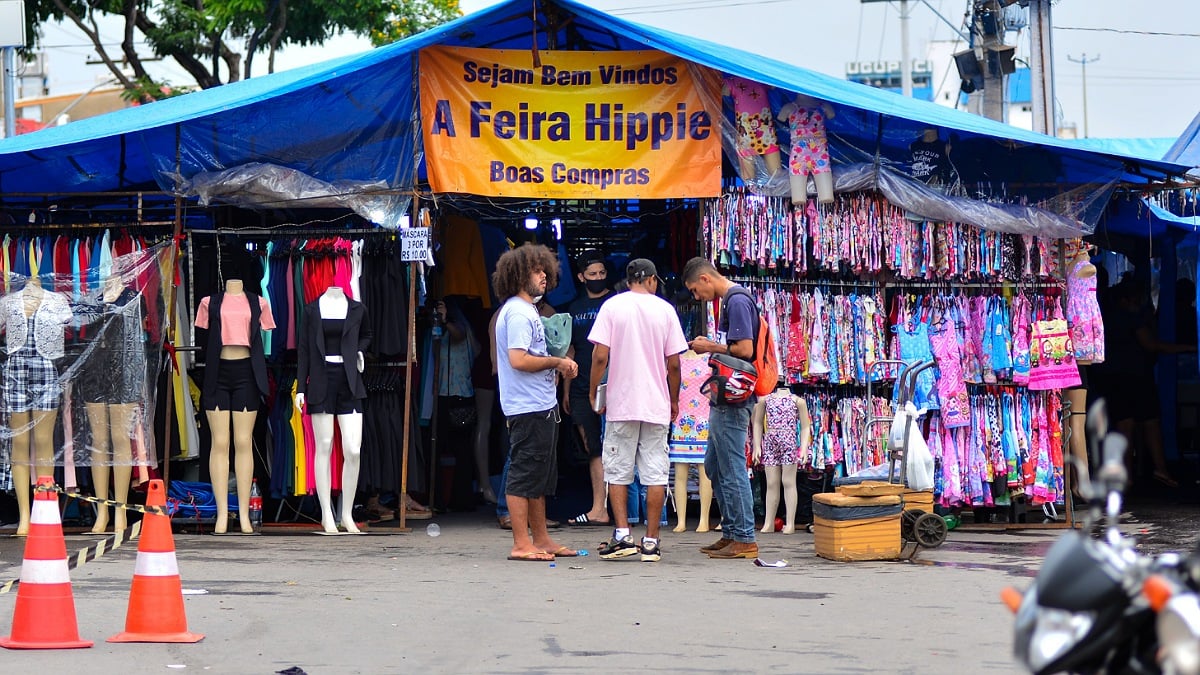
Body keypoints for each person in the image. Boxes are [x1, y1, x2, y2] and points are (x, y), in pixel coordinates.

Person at [588, 259, 688, 562]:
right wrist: (673, 399)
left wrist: (594, 390)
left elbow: (600, 356)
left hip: (621, 402)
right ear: (653, 280)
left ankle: (622, 536)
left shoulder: (612, 307)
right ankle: (651, 541)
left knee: (618, 471)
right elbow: (674, 364)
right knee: (655, 472)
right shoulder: (665, 310)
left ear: (628, 280)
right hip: (656, 404)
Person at [493, 243, 578, 561]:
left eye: (545, 270)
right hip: (527, 407)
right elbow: (518, 359)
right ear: (519, 274)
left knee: (539, 476)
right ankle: (521, 543)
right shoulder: (517, 311)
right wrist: (556, 364)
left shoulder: (527, 310)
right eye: (537, 271)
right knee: (524, 474)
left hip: (540, 405)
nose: (544, 276)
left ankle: (540, 539)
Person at [682, 257, 760, 559]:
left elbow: (744, 350)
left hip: (733, 397)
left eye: (694, 290)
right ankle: (731, 532)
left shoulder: (736, 300)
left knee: (731, 467)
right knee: (716, 465)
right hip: (725, 396)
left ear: (705, 279)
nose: (696, 298)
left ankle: (744, 537)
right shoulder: (731, 300)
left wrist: (709, 346)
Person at [1095, 279, 1193, 488]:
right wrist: (1189, 347)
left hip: (1113, 376)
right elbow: (1151, 344)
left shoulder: (1107, 318)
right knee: (1150, 422)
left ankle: (1128, 474)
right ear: (1128, 299)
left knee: (1124, 426)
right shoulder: (1132, 318)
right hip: (1136, 376)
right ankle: (1159, 469)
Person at [196, 278, 275, 534]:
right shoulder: (209, 302)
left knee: (243, 441)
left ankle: (243, 513)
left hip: (247, 373)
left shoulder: (259, 302)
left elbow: (267, 331)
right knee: (219, 443)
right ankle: (221, 513)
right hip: (217, 373)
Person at [296, 285, 371, 534]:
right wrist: (300, 388)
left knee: (353, 450)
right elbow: (304, 349)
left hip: (349, 381)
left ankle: (347, 514)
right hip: (320, 380)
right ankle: (327, 513)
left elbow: (367, 335)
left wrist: (359, 351)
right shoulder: (311, 310)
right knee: (324, 445)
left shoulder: (357, 309)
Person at [1, 277, 71, 536]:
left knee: (43, 441)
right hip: (15, 370)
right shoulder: (8, 302)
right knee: (19, 442)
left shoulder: (57, 301)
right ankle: (24, 516)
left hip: (45, 369)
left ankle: (46, 511)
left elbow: (69, 323)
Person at [82, 273, 148, 533]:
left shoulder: (135, 298)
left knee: (121, 439)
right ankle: (102, 513)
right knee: (98, 441)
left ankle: (120, 511)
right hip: (95, 371)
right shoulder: (90, 301)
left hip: (125, 372)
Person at [563, 250, 613, 527]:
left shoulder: (615, 303)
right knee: (591, 445)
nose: (597, 278)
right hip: (581, 386)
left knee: (615, 446)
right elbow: (569, 350)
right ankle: (598, 508)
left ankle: (621, 509)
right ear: (581, 277)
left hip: (612, 384)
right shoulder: (572, 308)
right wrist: (566, 390)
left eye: (601, 273)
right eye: (591, 274)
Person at [433, 297, 482, 511]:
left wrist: (444, 321)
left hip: (459, 394)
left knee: (461, 450)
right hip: (444, 394)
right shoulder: (439, 332)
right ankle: (440, 499)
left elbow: (459, 335)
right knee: (438, 446)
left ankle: (461, 500)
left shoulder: (461, 330)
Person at [752, 385, 811, 534]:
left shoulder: (798, 401)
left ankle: (790, 523)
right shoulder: (765, 400)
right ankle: (768, 522)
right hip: (770, 441)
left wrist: (803, 448)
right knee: (771, 483)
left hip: (789, 441)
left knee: (789, 482)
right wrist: (756, 446)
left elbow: (805, 426)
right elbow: (757, 423)